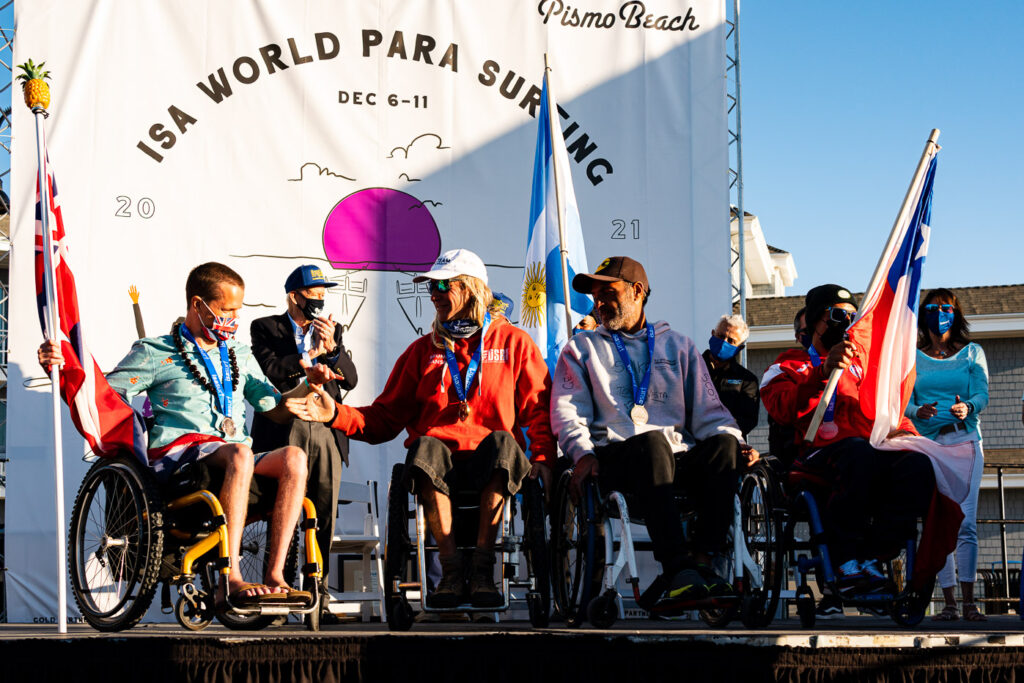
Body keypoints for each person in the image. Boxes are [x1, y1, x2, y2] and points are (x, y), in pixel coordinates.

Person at [38, 262, 331, 606]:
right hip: (180, 459)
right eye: (226, 310)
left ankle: (275, 575)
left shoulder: (239, 354)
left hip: (234, 454)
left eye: (238, 310)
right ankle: (230, 577)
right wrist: (63, 368)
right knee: (239, 455)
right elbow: (100, 393)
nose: (234, 318)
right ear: (198, 305)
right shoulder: (155, 351)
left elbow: (276, 409)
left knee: (294, 457)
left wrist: (307, 387)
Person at [307, 249, 555, 608]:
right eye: (430, 287)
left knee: (503, 442)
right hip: (438, 468)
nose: (434, 294)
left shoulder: (513, 343)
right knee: (424, 445)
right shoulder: (422, 351)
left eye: (442, 285)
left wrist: (545, 458)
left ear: (470, 289)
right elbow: (384, 418)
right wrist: (335, 415)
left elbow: (537, 411)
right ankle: (452, 571)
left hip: (494, 465)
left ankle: (484, 569)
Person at [551, 256, 758, 607]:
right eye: (595, 295)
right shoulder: (581, 348)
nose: (599, 303)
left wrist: (737, 442)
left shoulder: (679, 345)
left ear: (637, 291)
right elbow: (568, 411)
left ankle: (702, 566)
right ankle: (677, 567)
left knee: (723, 444)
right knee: (651, 443)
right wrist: (581, 453)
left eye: (608, 292)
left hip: (677, 460)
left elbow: (710, 413)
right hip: (617, 460)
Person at [760, 284, 936, 596]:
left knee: (918, 464)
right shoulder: (786, 365)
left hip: (863, 452)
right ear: (816, 321)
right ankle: (844, 559)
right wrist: (823, 372)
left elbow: (885, 410)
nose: (847, 323)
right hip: (814, 455)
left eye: (854, 317)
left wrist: (911, 435)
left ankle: (875, 554)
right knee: (858, 454)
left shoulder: (863, 369)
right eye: (839, 314)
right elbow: (783, 409)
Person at [249, 264, 359, 618]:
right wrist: (309, 356)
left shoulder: (332, 330)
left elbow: (351, 379)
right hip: (287, 423)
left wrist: (331, 351)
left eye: (323, 293)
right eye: (312, 293)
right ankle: (276, 593)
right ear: (294, 296)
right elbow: (270, 370)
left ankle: (317, 596)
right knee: (282, 512)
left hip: (325, 426)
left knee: (323, 511)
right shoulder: (265, 327)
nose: (319, 299)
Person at [905, 288, 989, 622]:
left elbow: (982, 394)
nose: (940, 313)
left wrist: (967, 406)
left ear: (956, 314)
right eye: (933, 308)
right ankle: (949, 603)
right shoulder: (911, 356)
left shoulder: (972, 352)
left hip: (965, 440)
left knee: (965, 522)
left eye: (947, 308)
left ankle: (970, 602)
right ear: (923, 314)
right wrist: (917, 410)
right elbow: (903, 399)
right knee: (939, 522)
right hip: (930, 445)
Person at [702, 314, 759, 439]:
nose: (724, 342)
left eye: (731, 341)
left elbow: (748, 420)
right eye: (721, 336)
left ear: (740, 348)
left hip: (725, 443)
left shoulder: (747, 380)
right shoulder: (690, 367)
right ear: (712, 334)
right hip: (689, 443)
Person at [765, 307, 807, 469]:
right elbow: (783, 411)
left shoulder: (856, 361)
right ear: (798, 336)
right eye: (810, 329)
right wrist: (821, 375)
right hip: (803, 447)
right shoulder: (783, 365)